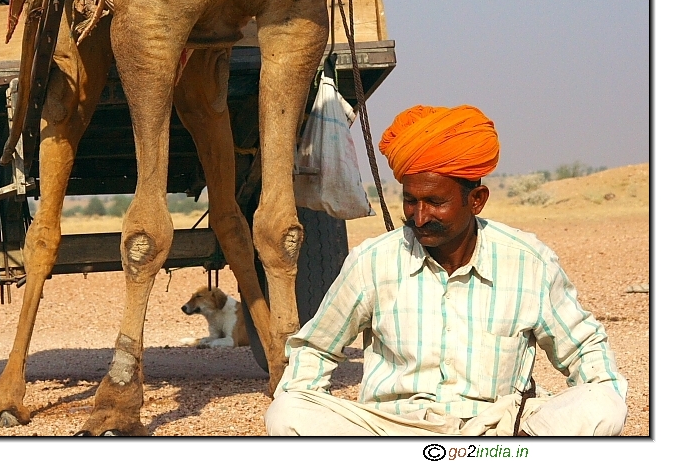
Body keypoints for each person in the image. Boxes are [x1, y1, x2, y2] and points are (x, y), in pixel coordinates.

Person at [265, 104, 627, 437]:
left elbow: (584, 350)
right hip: (394, 430)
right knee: (288, 412)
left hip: (497, 432)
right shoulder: (374, 261)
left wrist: (597, 400)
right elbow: (316, 348)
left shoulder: (528, 262)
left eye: (436, 203)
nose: (419, 217)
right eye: (411, 201)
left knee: (601, 405)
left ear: (476, 200)